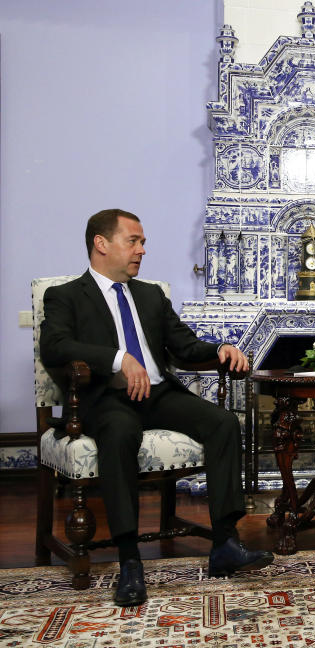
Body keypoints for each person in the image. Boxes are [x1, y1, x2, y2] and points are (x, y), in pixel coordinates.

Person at [39, 209, 274, 607]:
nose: (142, 250)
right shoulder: (65, 296)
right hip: (106, 398)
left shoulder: (150, 295)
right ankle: (130, 559)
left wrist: (219, 350)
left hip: (160, 394)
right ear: (101, 243)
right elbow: (55, 347)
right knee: (119, 432)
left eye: (142, 242)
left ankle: (224, 543)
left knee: (222, 423)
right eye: (133, 241)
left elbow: (183, 347)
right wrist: (118, 358)